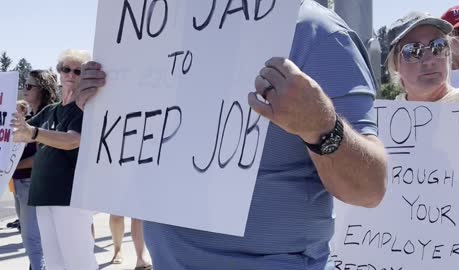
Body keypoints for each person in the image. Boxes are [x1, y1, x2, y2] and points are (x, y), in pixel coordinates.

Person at [76, 1, 387, 269]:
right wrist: (101, 102)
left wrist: (322, 126)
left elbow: (370, 188)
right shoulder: (157, 31)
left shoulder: (317, 33)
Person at [11, 49, 98, 270]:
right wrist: (16, 113)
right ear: (59, 72)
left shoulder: (88, 109)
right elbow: (18, 131)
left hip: (71, 197)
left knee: (79, 262)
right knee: (54, 263)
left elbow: (72, 140)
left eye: (78, 71)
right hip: (44, 195)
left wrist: (33, 133)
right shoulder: (50, 110)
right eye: (65, 69)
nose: (70, 74)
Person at [12, 70, 59, 270]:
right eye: (24, 84)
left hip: (32, 182)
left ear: (43, 89)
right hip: (20, 182)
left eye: (30, 86)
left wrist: (13, 165)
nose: (25, 89)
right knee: (34, 238)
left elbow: (42, 157)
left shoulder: (49, 116)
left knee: (33, 240)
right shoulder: (31, 115)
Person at [387, 11, 459, 103]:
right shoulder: (386, 115)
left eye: (438, 46)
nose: (429, 60)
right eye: (413, 51)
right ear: (395, 63)